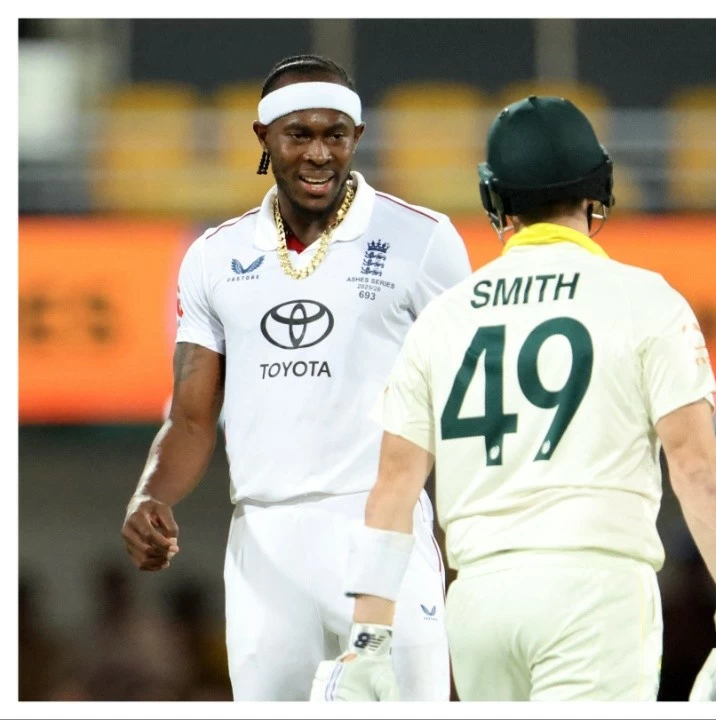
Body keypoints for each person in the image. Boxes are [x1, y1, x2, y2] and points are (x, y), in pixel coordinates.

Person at [311, 95, 716, 702]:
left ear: (496, 198)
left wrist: (369, 638)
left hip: (480, 600)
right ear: (599, 187)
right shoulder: (645, 299)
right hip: (596, 587)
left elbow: (393, 490)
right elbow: (695, 468)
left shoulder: (441, 317)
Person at [119, 54, 471, 701]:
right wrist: (150, 495)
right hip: (264, 540)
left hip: (384, 532)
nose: (318, 154)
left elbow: (465, 403)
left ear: (356, 138)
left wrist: (468, 541)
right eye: (299, 135)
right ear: (263, 138)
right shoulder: (215, 255)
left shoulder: (422, 239)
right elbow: (193, 416)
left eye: (335, 135)